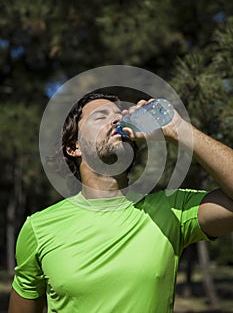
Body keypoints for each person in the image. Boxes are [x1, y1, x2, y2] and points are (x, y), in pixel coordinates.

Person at [8, 92, 233, 313]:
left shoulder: (172, 209)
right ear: (74, 148)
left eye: (119, 114)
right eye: (100, 116)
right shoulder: (38, 228)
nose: (117, 119)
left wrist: (179, 129)